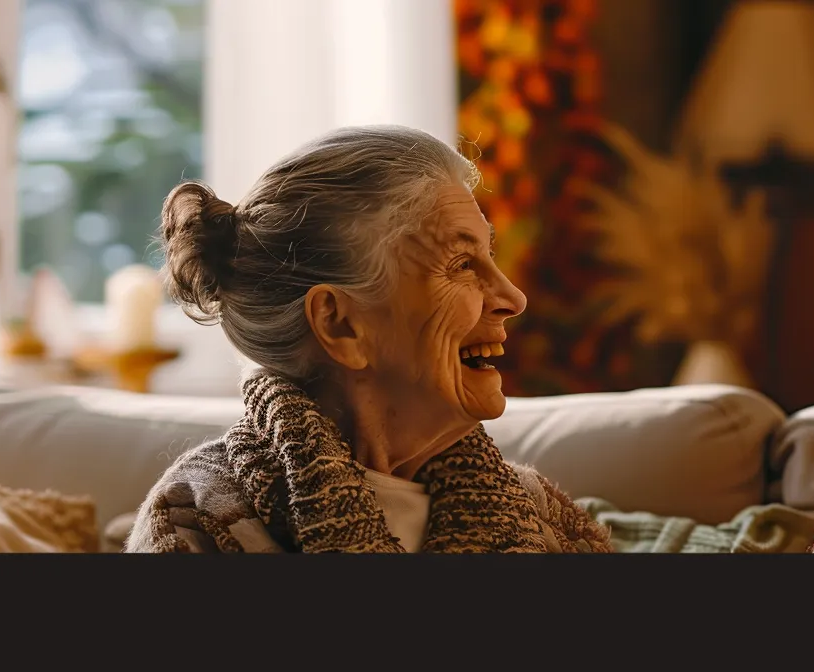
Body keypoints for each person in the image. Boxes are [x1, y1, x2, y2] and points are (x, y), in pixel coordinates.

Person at [125, 125, 610, 553]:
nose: (513, 297)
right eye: (463, 265)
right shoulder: (200, 519)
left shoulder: (536, 512)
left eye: (490, 256)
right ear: (340, 325)